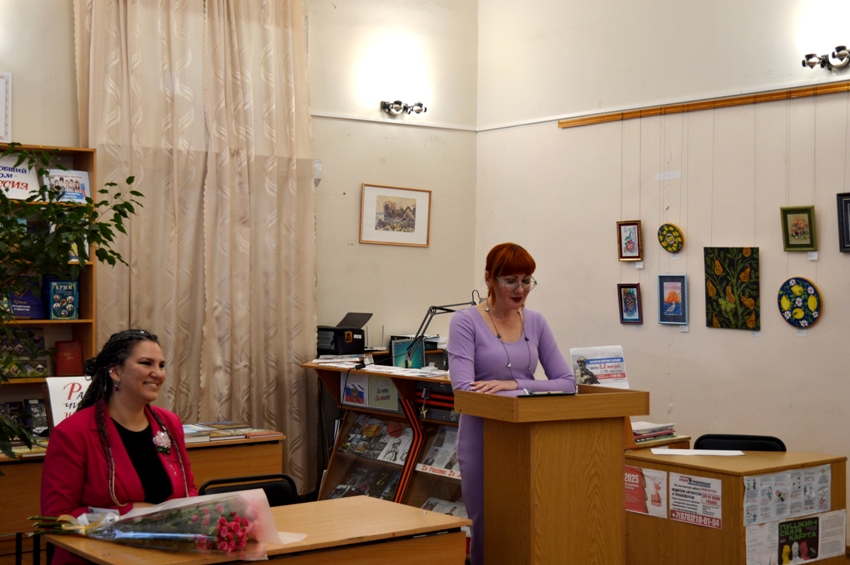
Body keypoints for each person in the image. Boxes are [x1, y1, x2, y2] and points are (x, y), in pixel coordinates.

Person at [447, 242, 576, 565]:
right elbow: (464, 391)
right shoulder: (465, 322)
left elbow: (567, 383)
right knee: (489, 527)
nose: (521, 290)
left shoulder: (536, 322)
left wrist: (516, 384)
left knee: (528, 524)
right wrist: (528, 390)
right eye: (511, 281)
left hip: (527, 436)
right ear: (489, 279)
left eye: (527, 280)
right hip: (482, 438)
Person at [41, 330, 197, 564]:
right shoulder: (73, 433)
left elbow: (188, 489)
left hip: (166, 554)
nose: (158, 373)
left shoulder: (169, 422)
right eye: (146, 363)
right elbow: (56, 517)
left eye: (161, 365)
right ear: (115, 371)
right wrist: (131, 514)